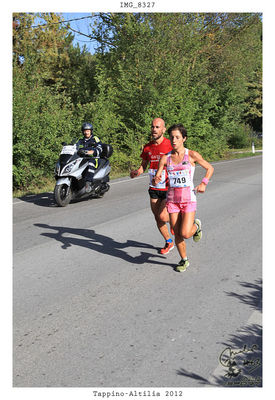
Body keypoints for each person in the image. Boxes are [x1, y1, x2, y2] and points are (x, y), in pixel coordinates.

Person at [152, 123, 214, 272]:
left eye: (177, 137)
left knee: (186, 233)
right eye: (172, 137)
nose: (174, 140)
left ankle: (196, 226)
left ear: (184, 139)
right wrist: (157, 178)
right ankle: (184, 260)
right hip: (172, 200)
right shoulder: (165, 158)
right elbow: (158, 175)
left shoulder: (191, 155)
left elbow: (210, 168)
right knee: (177, 232)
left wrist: (203, 183)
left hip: (188, 200)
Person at [130, 118, 174, 254]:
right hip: (154, 188)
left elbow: (179, 161)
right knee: (157, 217)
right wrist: (137, 172)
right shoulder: (148, 147)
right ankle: (169, 241)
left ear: (163, 129)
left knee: (163, 217)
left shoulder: (170, 144)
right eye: (152, 127)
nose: (154, 129)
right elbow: (144, 165)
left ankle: (176, 220)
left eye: (157, 127)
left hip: (168, 187)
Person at [77, 122, 103, 193]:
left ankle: (88, 183)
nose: (86, 132)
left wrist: (92, 152)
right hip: (83, 159)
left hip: (94, 158)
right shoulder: (80, 140)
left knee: (90, 164)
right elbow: (74, 147)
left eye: (88, 131)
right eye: (85, 131)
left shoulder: (95, 138)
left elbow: (100, 148)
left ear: (91, 131)